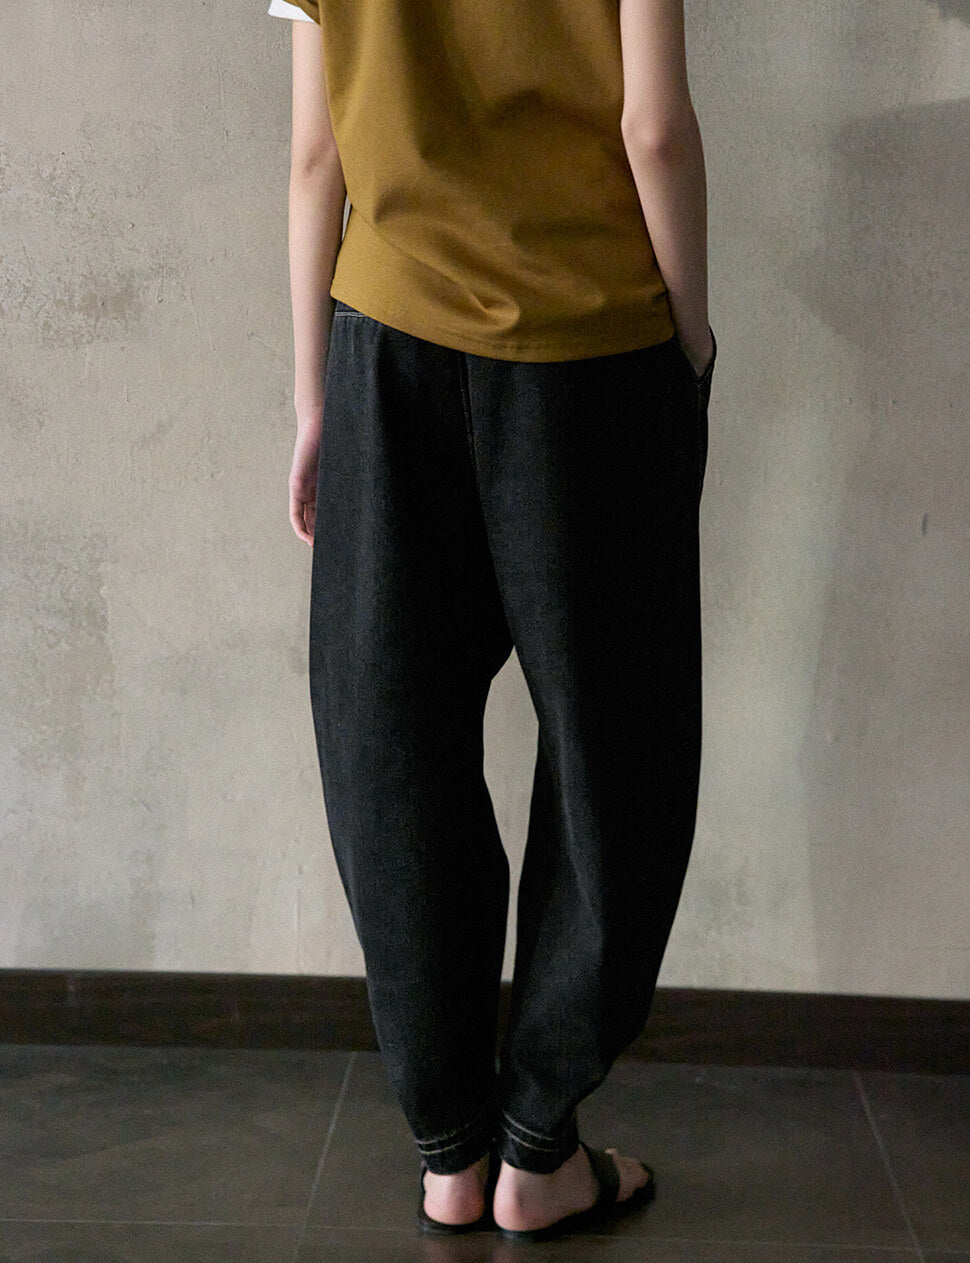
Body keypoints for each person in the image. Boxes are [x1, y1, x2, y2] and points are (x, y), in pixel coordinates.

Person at [272, 0, 716, 1240]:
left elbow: (315, 155)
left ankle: (450, 1150)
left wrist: (314, 402)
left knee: (389, 744)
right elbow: (654, 128)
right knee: (613, 751)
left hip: (384, 343)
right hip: (594, 347)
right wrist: (689, 344)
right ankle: (538, 1147)